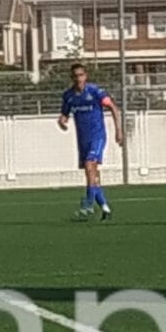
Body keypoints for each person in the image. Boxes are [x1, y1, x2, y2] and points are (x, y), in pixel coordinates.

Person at [56, 62, 123, 219]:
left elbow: (113, 107)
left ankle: (88, 203)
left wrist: (119, 131)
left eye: (81, 75)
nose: (78, 79)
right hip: (82, 139)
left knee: (90, 165)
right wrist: (62, 122)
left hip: (97, 136)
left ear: (85, 76)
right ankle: (105, 207)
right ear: (71, 77)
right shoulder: (69, 96)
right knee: (91, 174)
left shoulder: (94, 92)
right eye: (75, 76)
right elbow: (64, 114)